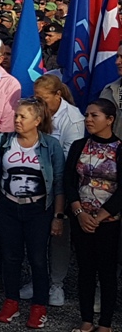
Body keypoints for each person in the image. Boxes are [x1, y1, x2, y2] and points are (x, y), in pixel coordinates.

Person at [0, 98, 65, 329]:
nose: (17, 120)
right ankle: (11, 301)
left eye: (23, 117)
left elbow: (58, 183)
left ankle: (39, 306)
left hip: (39, 209)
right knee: (10, 256)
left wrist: (58, 217)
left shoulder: (51, 146)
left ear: (37, 121)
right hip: (8, 207)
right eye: (16, 116)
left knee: (38, 258)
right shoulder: (2, 142)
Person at [18, 75, 85, 306]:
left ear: (58, 96)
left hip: (58, 185)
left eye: (44, 99)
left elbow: (68, 158)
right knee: (34, 236)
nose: (40, 104)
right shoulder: (36, 111)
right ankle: (36, 280)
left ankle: (56, 284)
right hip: (32, 184)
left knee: (58, 237)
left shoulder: (73, 118)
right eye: (36, 98)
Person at [65, 99, 122, 332]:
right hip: (81, 219)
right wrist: (78, 212)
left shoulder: (119, 148)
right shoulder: (79, 146)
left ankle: (105, 324)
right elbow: (69, 180)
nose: (88, 119)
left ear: (110, 120)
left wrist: (98, 217)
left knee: (107, 272)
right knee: (85, 270)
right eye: (87, 115)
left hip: (108, 222)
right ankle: (86, 320)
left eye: (94, 115)